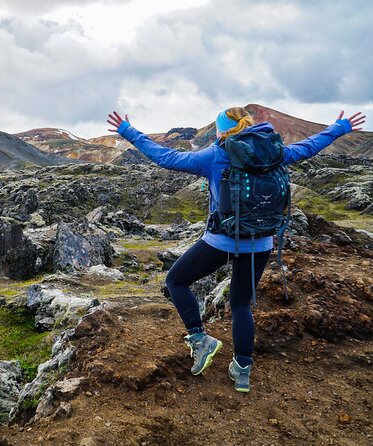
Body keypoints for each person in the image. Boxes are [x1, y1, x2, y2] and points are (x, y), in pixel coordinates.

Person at [107, 107, 366, 392]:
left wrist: (128, 131)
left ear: (221, 130)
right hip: (262, 242)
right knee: (241, 304)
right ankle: (242, 371)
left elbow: (166, 158)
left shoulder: (217, 155)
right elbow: (308, 146)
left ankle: (200, 340)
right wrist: (339, 128)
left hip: (222, 240)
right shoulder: (275, 150)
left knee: (176, 280)